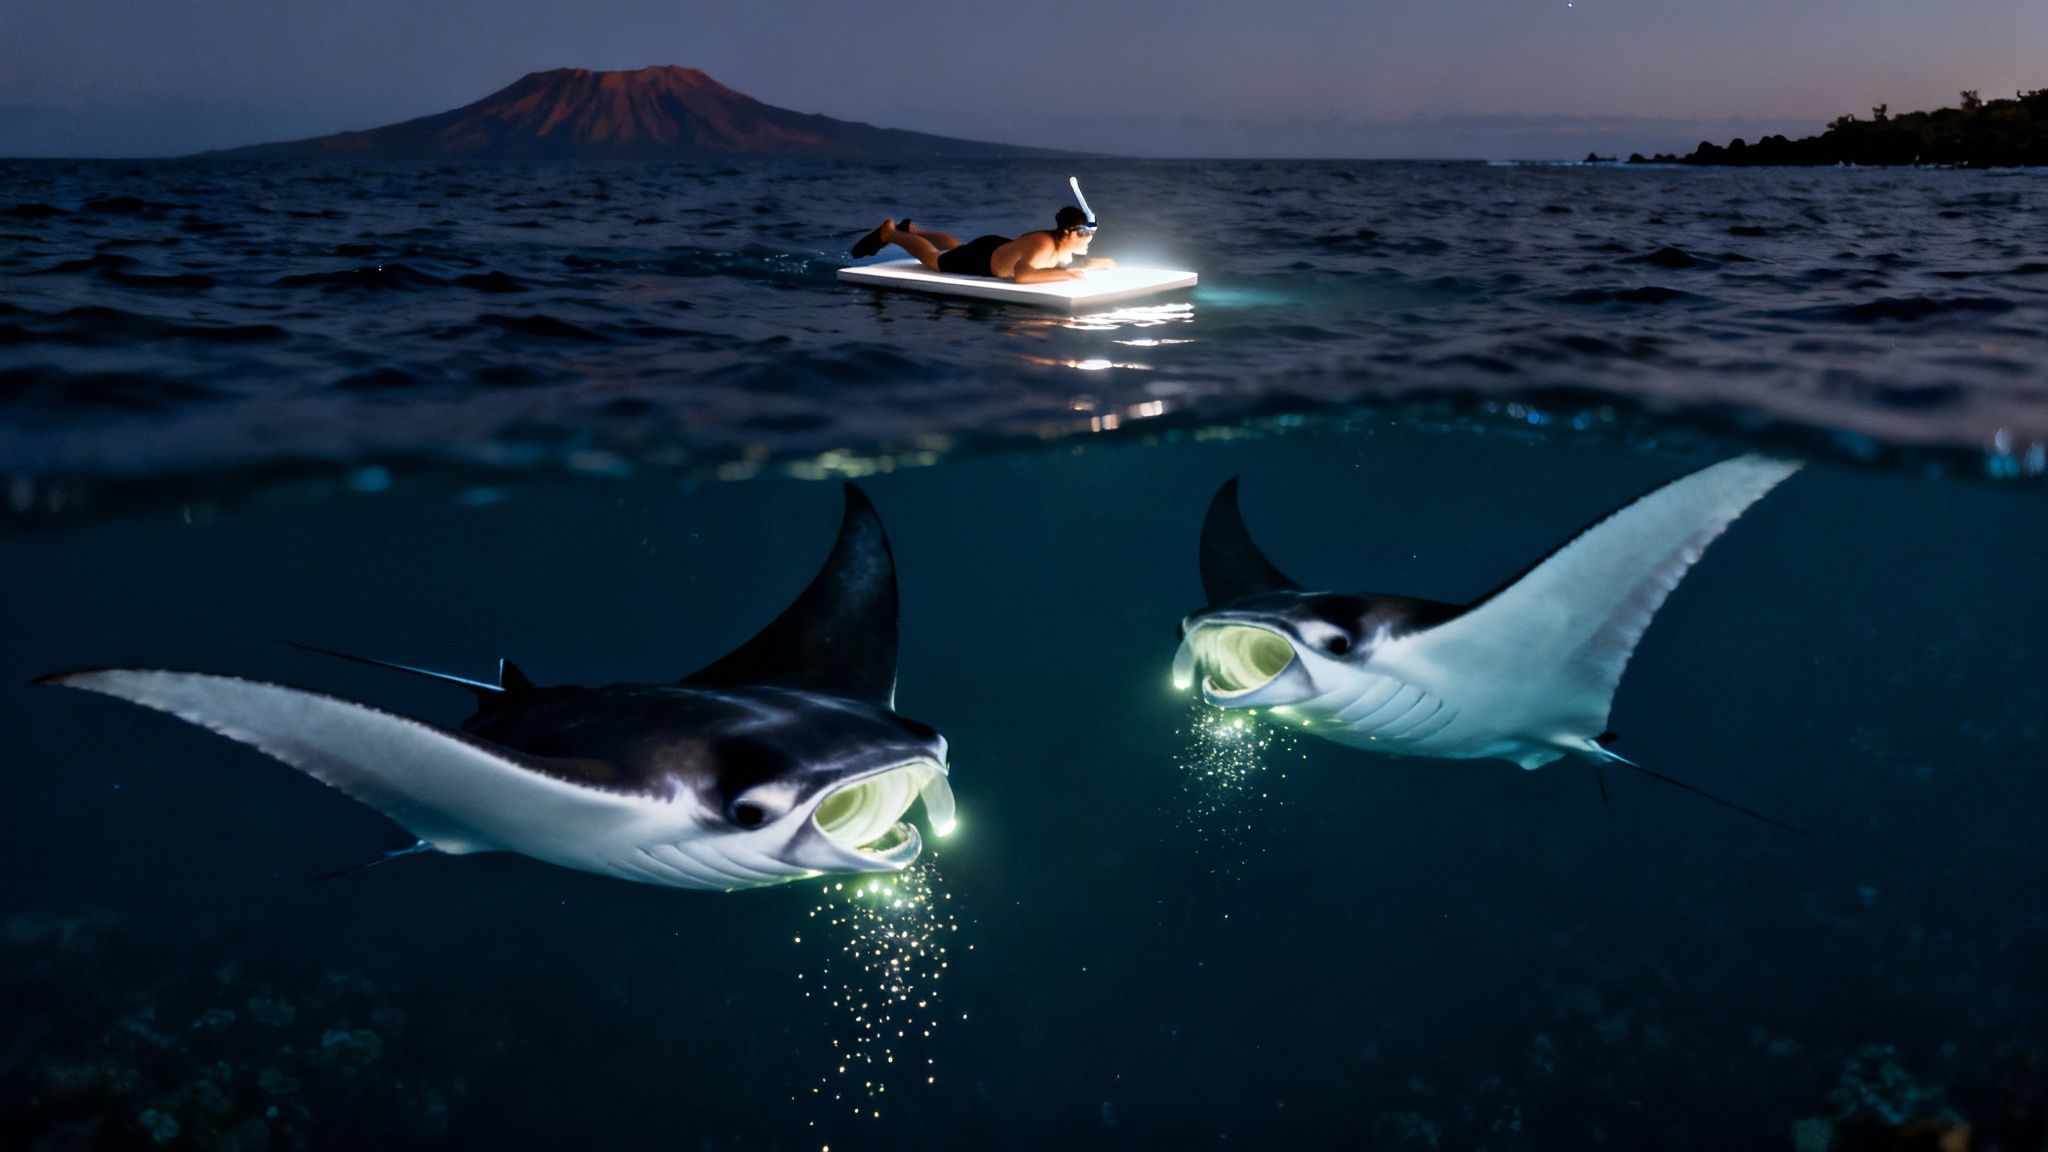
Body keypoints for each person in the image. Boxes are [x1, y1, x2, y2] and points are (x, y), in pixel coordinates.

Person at [851, 206, 1116, 284]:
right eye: (1086, 235)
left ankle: (914, 230)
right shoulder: (1044, 246)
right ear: (1070, 233)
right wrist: (1066, 275)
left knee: (956, 247)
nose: (1090, 240)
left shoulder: (1062, 246)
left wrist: (1104, 263)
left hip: (994, 248)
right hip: (983, 259)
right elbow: (1023, 276)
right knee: (934, 259)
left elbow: (1078, 262)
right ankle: (891, 233)